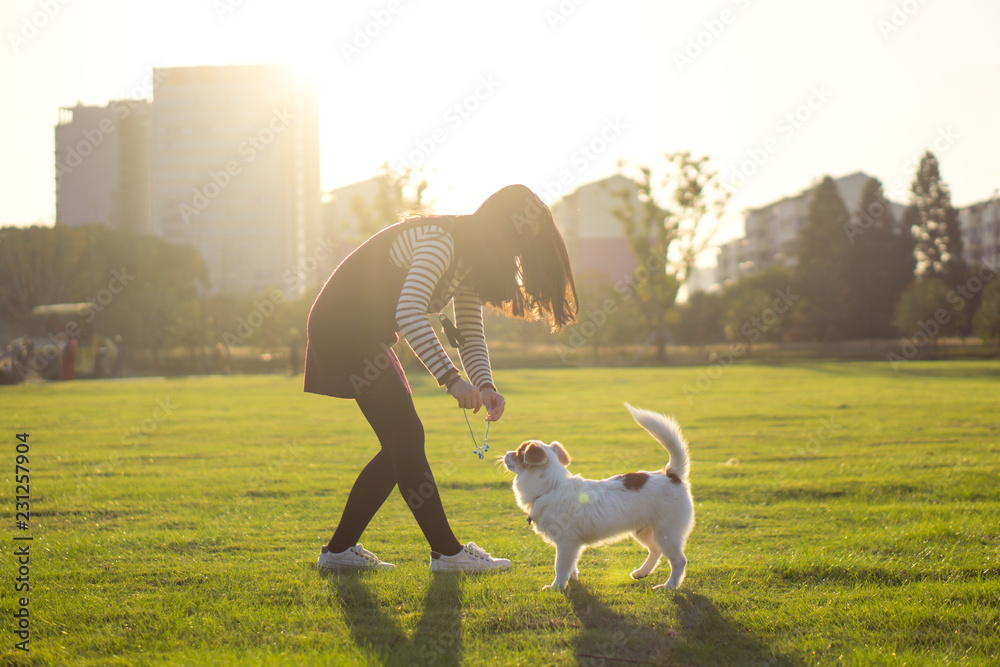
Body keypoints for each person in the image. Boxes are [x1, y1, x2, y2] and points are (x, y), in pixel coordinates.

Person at [304, 184, 578, 572]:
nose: (520, 254)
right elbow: (410, 312)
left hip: (366, 334)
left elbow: (469, 330)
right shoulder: (443, 241)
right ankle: (447, 554)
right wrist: (452, 379)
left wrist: (484, 385)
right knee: (406, 439)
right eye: (519, 239)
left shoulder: (472, 259)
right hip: (343, 328)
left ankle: (339, 552)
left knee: (401, 444)